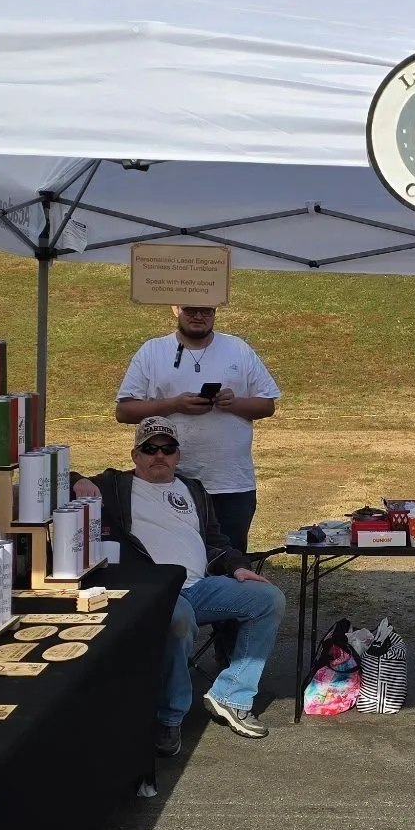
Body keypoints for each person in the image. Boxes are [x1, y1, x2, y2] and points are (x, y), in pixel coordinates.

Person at [95, 415, 284, 756]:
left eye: (167, 448)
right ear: (135, 454)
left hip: (200, 587)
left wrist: (238, 566)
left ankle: (231, 695)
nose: (159, 455)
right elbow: (58, 479)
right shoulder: (115, 486)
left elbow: (215, 539)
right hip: (154, 591)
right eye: (149, 448)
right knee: (179, 619)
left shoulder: (193, 489)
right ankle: (169, 718)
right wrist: (79, 481)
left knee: (267, 598)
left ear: (178, 455)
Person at [115, 303, 279, 553]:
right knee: (173, 558)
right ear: (175, 309)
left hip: (230, 483)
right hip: (169, 479)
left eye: (207, 311)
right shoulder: (153, 351)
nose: (199, 317)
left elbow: (267, 405)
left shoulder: (237, 349)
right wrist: (174, 404)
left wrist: (234, 403)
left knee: (229, 561)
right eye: (191, 310)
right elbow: (124, 411)